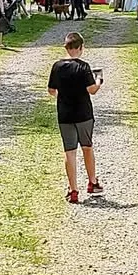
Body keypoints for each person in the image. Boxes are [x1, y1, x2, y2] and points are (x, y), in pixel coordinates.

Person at [48, 32, 104, 204]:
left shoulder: (57, 66)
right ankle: (92, 182)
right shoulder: (84, 67)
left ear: (65, 47)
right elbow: (92, 90)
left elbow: (51, 90)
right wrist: (99, 80)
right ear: (81, 47)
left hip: (65, 114)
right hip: (84, 114)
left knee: (69, 151)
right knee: (87, 147)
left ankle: (73, 190)